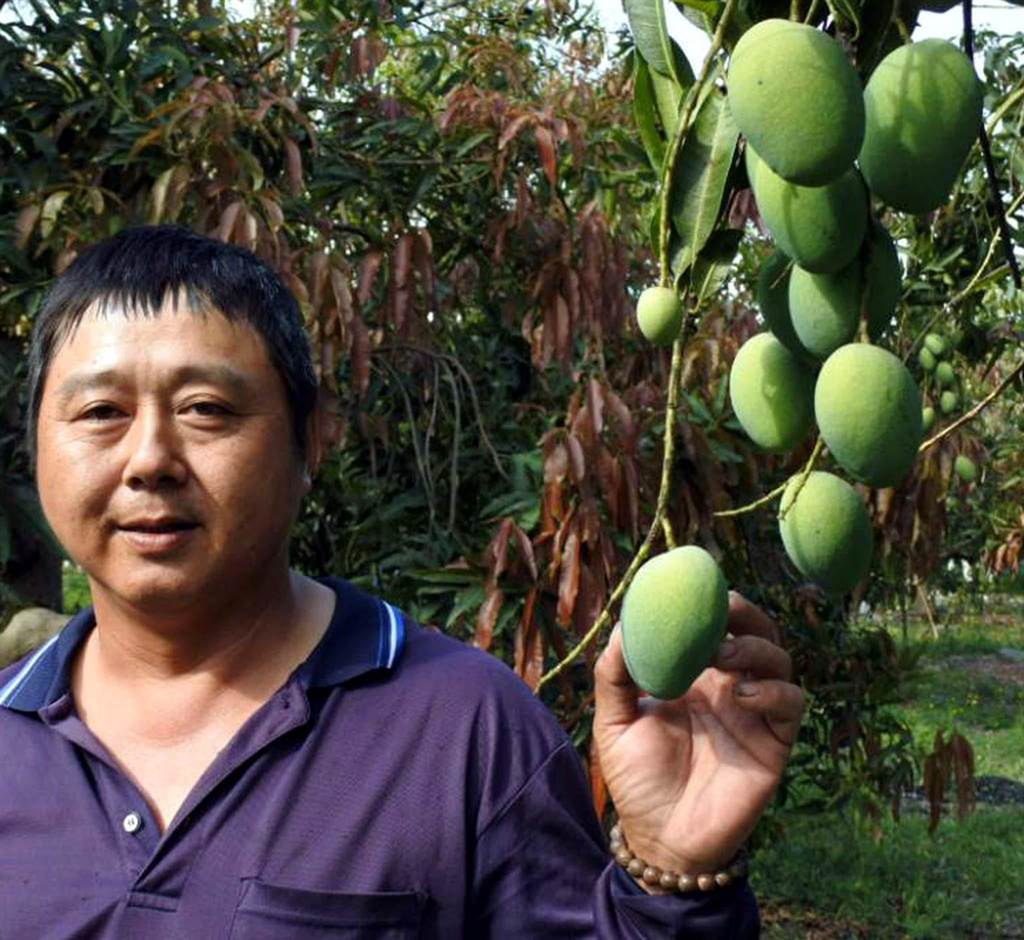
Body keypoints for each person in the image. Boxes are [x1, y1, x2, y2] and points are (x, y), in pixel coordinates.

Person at [0, 225, 804, 937]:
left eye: (207, 408)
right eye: (100, 412)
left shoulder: (468, 730)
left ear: (309, 445)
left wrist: (668, 873)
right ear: (36, 446)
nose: (149, 461)